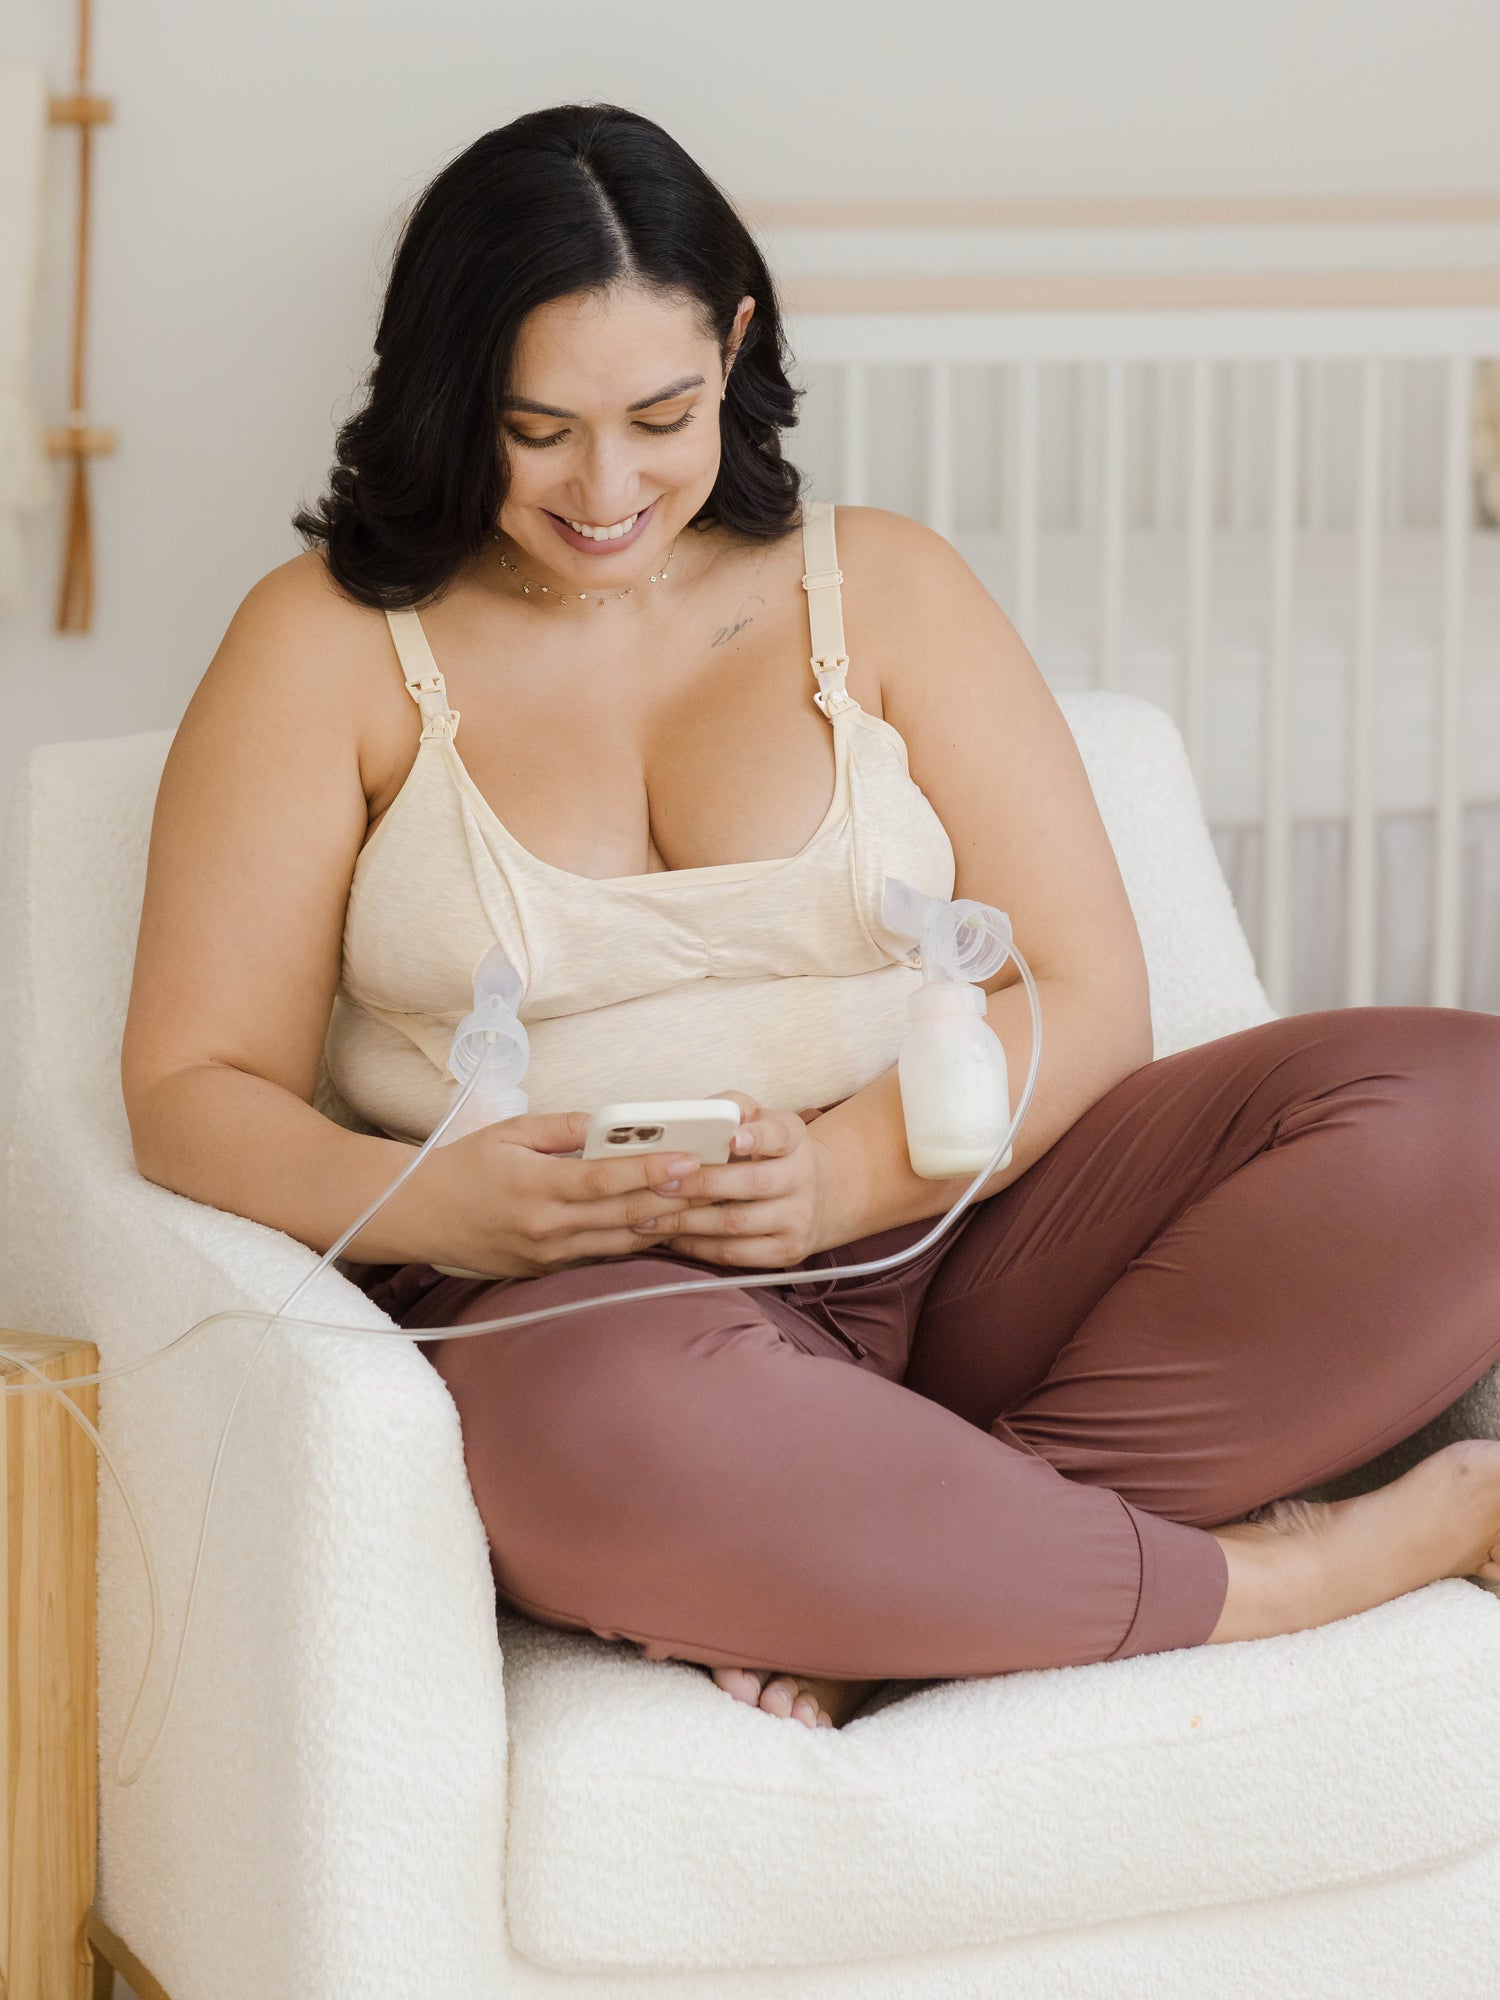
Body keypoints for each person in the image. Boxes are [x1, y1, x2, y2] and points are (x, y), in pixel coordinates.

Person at [121, 102, 1500, 1734]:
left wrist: (845, 1172)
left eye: (660, 415)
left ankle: (908, 1566)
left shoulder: (885, 588)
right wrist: (441, 1206)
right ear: (446, 391)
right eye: (537, 428)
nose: (607, 487)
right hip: (583, 1312)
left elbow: (1085, 988)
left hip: (954, 1237)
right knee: (602, 1433)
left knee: (1469, 1108)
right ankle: (1282, 1577)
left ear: (735, 350)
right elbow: (191, 1086)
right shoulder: (324, 646)